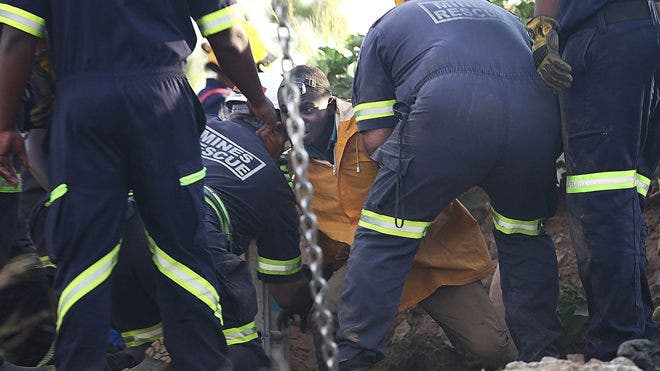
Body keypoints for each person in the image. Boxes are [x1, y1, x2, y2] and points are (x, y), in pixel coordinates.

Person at [0, 1, 278, 369]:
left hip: (83, 110)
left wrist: (4, 125)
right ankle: (203, 362)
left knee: (85, 258)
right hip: (162, 103)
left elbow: (17, 37)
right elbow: (228, 36)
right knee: (183, 251)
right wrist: (258, 102)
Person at [334, 0, 564, 368]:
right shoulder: (502, 15)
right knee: (524, 234)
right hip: (533, 118)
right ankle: (542, 356)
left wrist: (434, 176)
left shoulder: (387, 25)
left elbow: (376, 138)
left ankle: (355, 358)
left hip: (447, 107)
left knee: (383, 233)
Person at [277, 65, 517, 369]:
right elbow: (327, 228)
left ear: (332, 103)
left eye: (307, 108)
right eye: (286, 112)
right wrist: (321, 276)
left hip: (431, 254)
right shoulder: (297, 164)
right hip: (368, 264)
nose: (297, 120)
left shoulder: (372, 125)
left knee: (491, 350)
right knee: (327, 315)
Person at [529, 0, 660, 361]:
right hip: (645, 36)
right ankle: (641, 338)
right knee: (625, 196)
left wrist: (544, 26)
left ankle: (616, 348)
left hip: (602, 41)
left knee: (600, 200)